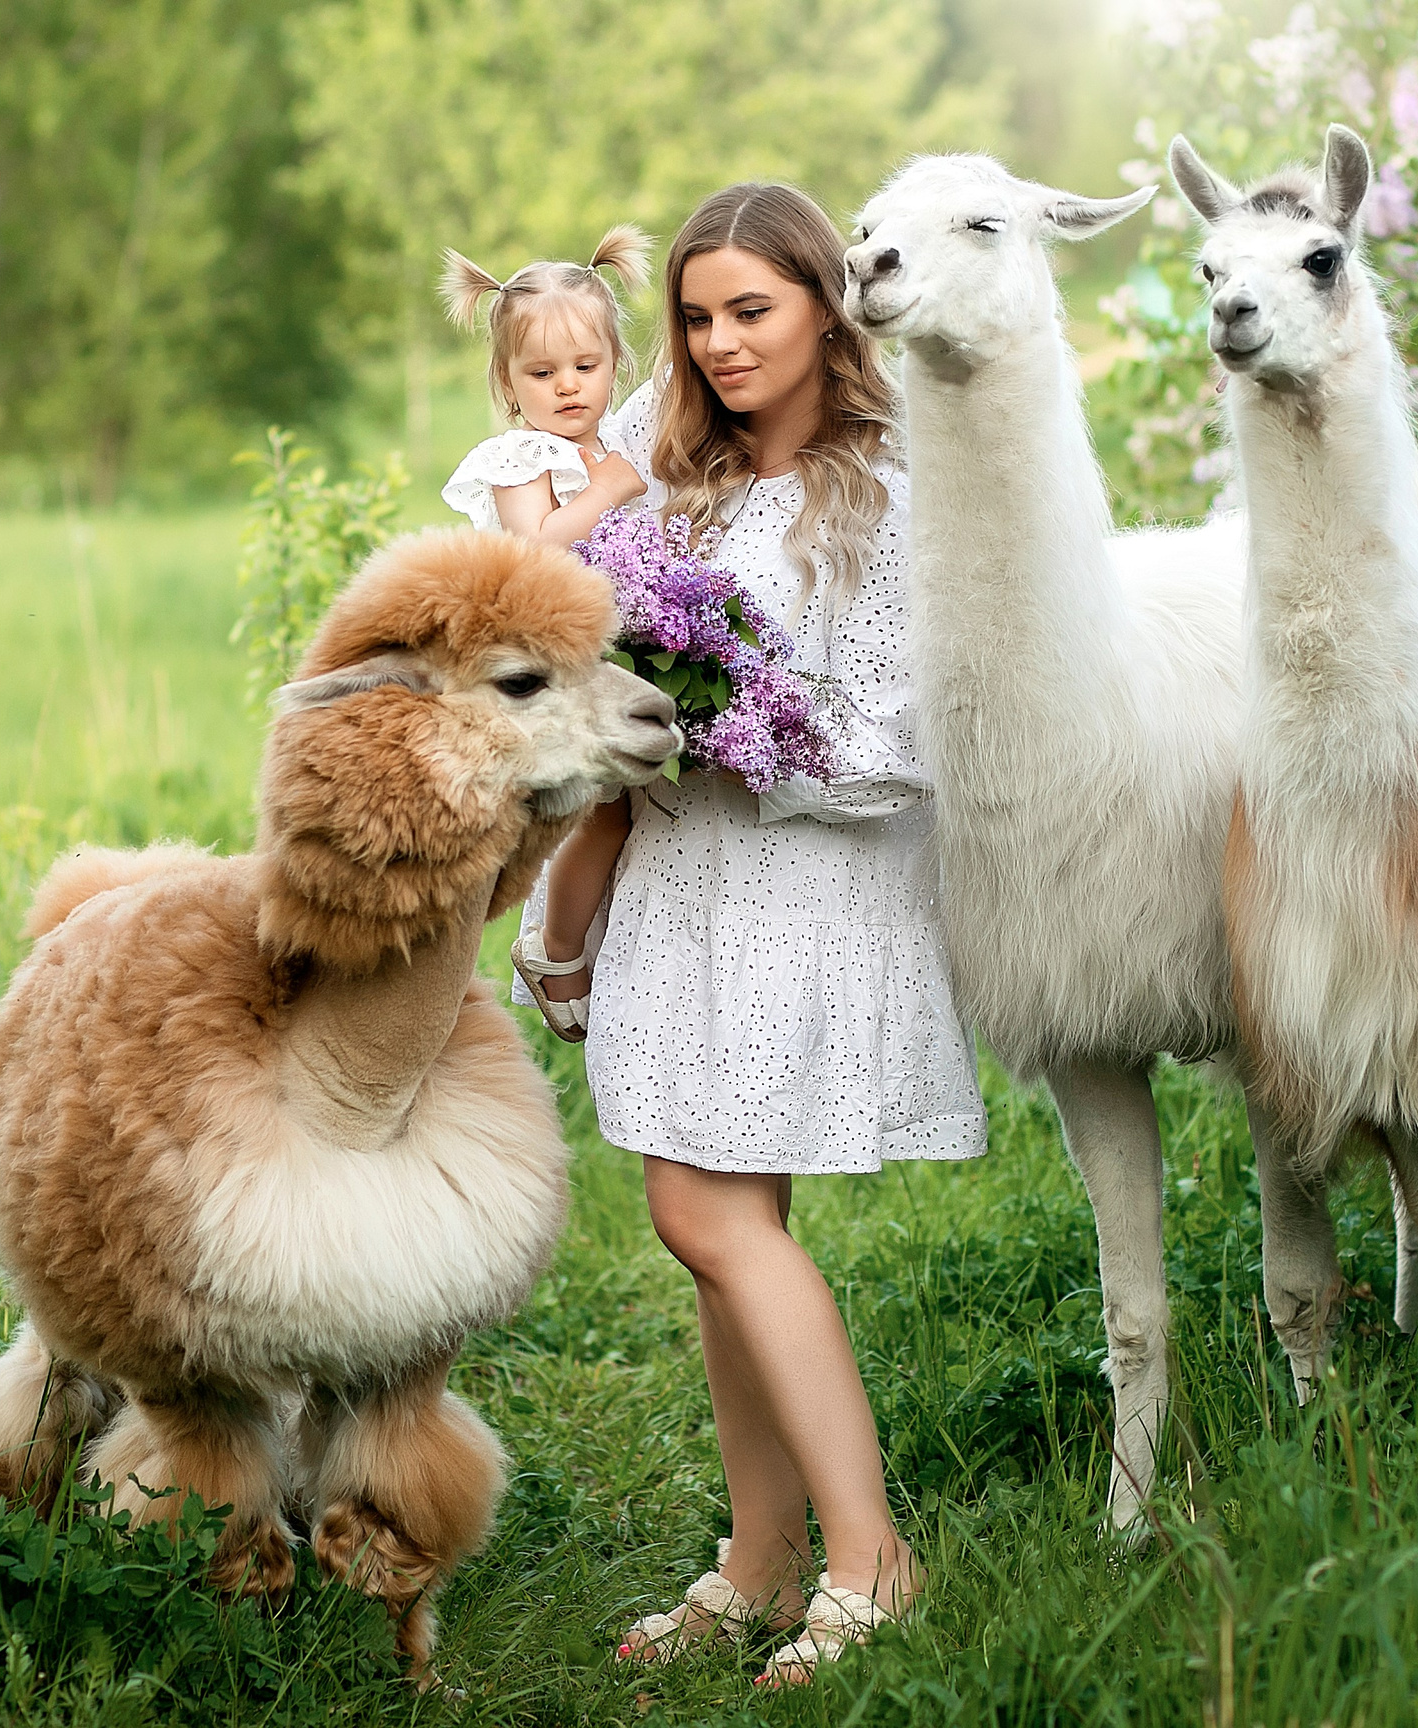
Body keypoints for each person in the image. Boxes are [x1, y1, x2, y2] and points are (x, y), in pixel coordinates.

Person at [535, 182, 985, 1686]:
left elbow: (910, 738)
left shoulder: (894, 493)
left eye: (752, 309)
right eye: (696, 317)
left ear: (823, 306)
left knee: (706, 1215)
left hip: (809, 886)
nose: (720, 343)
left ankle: (873, 1559)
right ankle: (760, 1557)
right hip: (685, 884)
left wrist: (742, 729)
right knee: (723, 1227)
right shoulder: (674, 479)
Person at [439, 226, 653, 1037]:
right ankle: (555, 947)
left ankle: (608, 941)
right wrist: (605, 493)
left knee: (639, 809)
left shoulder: (619, 444)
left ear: (615, 364)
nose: (567, 387)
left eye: (585, 367)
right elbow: (535, 548)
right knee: (601, 808)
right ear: (508, 381)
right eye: (541, 372)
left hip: (620, 650)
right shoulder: (523, 458)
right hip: (550, 667)